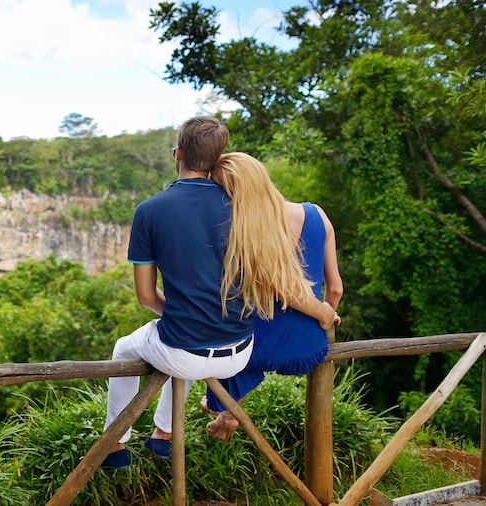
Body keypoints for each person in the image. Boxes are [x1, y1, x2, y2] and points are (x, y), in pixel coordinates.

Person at [100, 118, 336, 470]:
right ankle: (162, 434)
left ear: (178, 153)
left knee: (127, 347)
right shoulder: (241, 207)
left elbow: (146, 297)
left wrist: (181, 311)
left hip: (188, 351)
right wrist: (321, 310)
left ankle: (114, 444)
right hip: (241, 350)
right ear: (218, 157)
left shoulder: (149, 210)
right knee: (178, 342)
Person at [200, 152, 344, 442]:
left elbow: (285, 289)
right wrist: (326, 317)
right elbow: (336, 289)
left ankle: (221, 408)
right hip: (311, 346)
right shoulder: (316, 214)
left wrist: (321, 313)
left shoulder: (245, 228)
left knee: (227, 342)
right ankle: (225, 412)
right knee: (243, 345)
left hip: (262, 345)